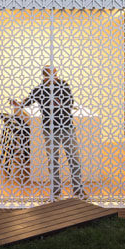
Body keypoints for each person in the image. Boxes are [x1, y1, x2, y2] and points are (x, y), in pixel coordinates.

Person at [19, 66, 83, 199]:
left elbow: (70, 102)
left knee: (74, 159)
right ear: (45, 76)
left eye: (55, 73)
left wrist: (59, 103)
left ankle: (78, 190)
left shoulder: (63, 85)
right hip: (50, 129)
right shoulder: (39, 89)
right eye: (51, 74)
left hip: (66, 126)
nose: (55, 76)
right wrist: (18, 103)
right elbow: (27, 102)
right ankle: (56, 192)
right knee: (53, 161)